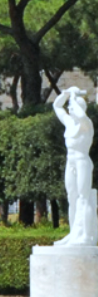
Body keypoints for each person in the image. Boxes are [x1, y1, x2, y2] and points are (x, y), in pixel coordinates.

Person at [54, 87, 96, 247]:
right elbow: (57, 106)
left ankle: (86, 235)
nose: (69, 109)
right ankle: (73, 234)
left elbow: (81, 115)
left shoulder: (86, 124)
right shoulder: (69, 123)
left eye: (71, 107)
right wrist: (65, 94)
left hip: (82, 162)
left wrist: (73, 98)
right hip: (70, 162)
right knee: (72, 198)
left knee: (84, 198)